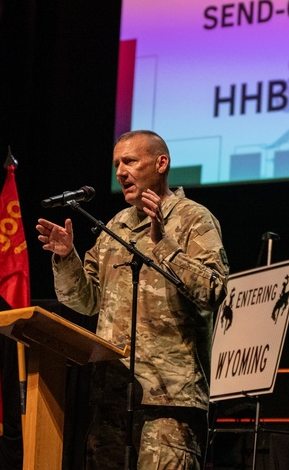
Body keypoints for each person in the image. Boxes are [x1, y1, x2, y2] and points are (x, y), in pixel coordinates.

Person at [37, 130, 229, 469]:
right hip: (112, 396)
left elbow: (212, 291)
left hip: (169, 402)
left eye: (130, 161)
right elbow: (86, 301)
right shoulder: (116, 227)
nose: (120, 172)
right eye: (116, 165)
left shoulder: (193, 219)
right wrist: (68, 258)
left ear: (161, 163)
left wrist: (164, 246)